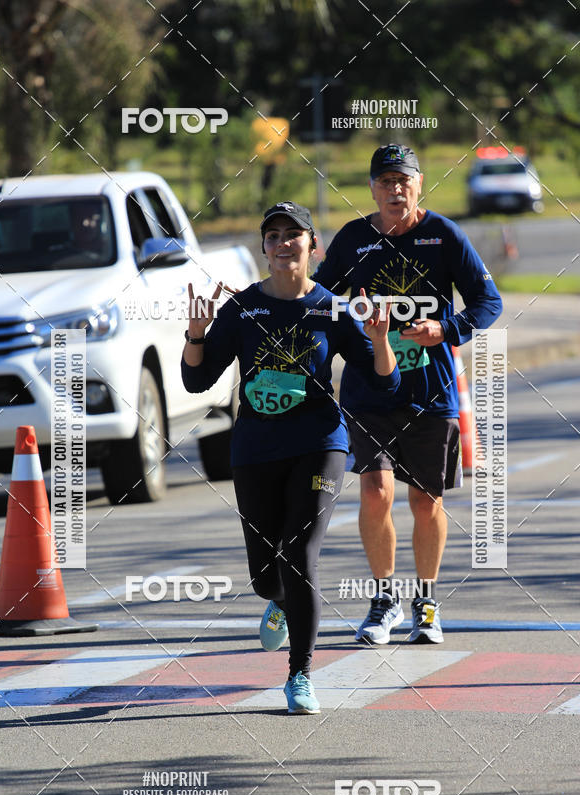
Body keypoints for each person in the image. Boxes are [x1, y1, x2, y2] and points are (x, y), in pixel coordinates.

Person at [181, 201, 400, 714]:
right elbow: (196, 380)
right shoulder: (242, 309)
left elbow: (384, 383)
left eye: (293, 235)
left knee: (300, 557)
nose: (283, 244)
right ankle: (278, 602)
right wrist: (196, 334)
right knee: (266, 575)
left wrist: (381, 341)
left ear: (312, 246)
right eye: (273, 235)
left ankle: (300, 674)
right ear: (264, 247)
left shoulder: (331, 309)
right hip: (255, 449)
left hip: (320, 445)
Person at [314, 144, 503, 645]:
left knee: (425, 501)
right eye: (385, 182)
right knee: (376, 492)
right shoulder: (354, 240)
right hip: (369, 390)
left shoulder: (443, 235)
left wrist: (447, 328)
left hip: (429, 389)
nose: (395, 190)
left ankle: (426, 602)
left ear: (420, 184)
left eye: (404, 181)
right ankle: (382, 601)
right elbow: (319, 302)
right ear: (372, 189)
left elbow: (489, 300)